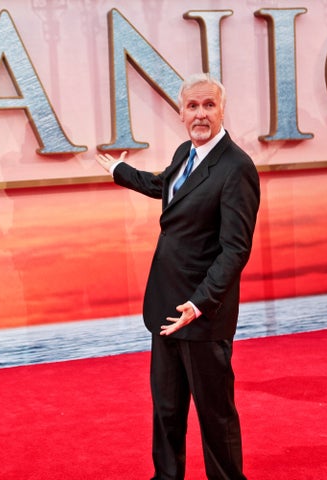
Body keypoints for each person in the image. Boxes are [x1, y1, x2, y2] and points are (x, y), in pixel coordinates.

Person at [95, 73, 260, 480]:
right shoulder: (186, 151)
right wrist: (121, 171)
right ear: (180, 113)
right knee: (166, 409)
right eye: (192, 106)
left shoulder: (237, 168)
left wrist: (201, 302)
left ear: (222, 110)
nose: (200, 114)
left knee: (215, 416)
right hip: (166, 305)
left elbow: (235, 249)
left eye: (208, 106)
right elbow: (166, 187)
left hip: (202, 314)